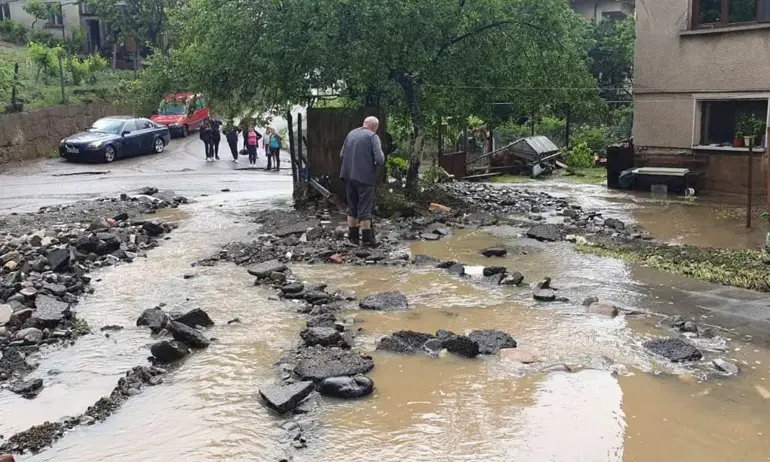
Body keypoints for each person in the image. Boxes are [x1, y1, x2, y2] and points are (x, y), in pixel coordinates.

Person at [339, 116, 385, 247]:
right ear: (375, 127)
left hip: (348, 176)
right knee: (365, 207)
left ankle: (353, 239)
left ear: (364, 123)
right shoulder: (372, 137)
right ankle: (367, 240)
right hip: (365, 178)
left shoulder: (351, 134)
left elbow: (342, 155)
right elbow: (380, 159)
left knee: (352, 206)